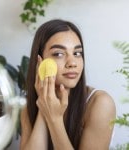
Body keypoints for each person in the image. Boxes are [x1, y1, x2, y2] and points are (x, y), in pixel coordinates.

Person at [20, 19, 116, 150]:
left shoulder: (100, 103)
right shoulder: (29, 105)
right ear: (40, 62)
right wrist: (44, 106)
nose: (72, 63)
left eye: (77, 53)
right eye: (59, 54)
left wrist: (54, 119)